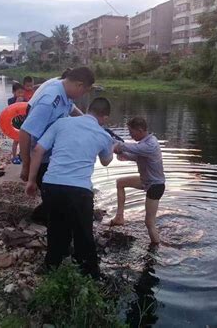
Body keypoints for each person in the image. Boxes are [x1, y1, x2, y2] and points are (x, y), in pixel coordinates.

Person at [25, 97, 114, 278]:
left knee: (56, 227)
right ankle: (89, 274)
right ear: (104, 117)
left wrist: (31, 180)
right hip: (79, 190)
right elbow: (106, 161)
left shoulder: (62, 123)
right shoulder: (104, 135)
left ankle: (52, 267)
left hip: (52, 185)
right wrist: (113, 146)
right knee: (83, 234)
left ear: (88, 109)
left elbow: (38, 150)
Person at [19, 67, 95, 222]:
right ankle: (40, 221)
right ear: (79, 85)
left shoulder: (65, 91)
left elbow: (72, 109)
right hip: (40, 159)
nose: (83, 95)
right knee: (56, 200)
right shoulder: (49, 101)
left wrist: (90, 123)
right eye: (85, 91)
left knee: (59, 198)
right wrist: (26, 166)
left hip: (52, 155)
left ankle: (46, 220)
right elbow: (25, 132)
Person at [111, 117, 165, 244]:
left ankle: (156, 246)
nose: (130, 135)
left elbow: (131, 148)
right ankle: (119, 217)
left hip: (155, 186)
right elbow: (135, 155)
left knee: (149, 222)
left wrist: (117, 145)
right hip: (146, 181)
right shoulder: (144, 144)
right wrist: (122, 154)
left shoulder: (151, 144)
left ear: (140, 130)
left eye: (131, 132)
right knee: (120, 183)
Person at [8, 82, 25, 164]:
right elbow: (9, 111)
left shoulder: (25, 100)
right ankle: (14, 157)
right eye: (19, 92)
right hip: (16, 124)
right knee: (16, 141)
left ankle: (21, 155)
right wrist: (16, 103)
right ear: (14, 92)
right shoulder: (10, 100)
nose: (21, 94)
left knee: (23, 141)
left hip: (23, 124)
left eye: (22, 92)